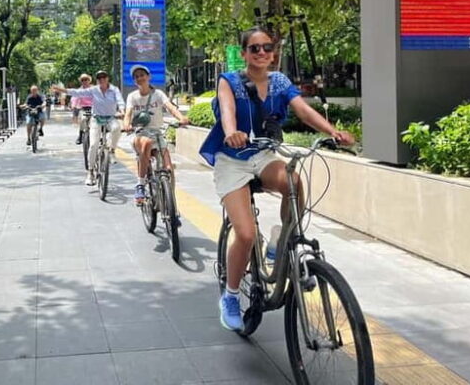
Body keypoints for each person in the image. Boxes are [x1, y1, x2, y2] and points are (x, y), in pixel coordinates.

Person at [199, 27, 355, 332]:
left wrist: (332, 132)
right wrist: (231, 131)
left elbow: (304, 111)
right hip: (232, 160)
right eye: (254, 48)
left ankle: (280, 242)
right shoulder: (229, 80)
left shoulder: (280, 82)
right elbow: (227, 109)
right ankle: (230, 297)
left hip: (263, 156)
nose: (261, 53)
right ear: (243, 53)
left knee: (293, 182)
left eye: (267, 48)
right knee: (244, 234)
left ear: (274, 52)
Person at [122, 65, 189, 205]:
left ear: (148, 77)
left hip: (158, 134)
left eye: (142, 75)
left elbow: (170, 107)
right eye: (136, 76)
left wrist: (181, 118)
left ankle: (171, 205)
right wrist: (126, 125)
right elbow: (127, 114)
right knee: (146, 143)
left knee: (169, 170)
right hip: (140, 133)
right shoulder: (132, 97)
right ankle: (140, 184)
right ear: (135, 81)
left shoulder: (158, 94)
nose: (140, 78)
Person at [53, 70, 125, 186]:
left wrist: (122, 111)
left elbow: (120, 101)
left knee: (117, 128)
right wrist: (62, 90)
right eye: (99, 78)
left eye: (104, 77)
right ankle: (90, 171)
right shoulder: (93, 90)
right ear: (97, 80)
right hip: (96, 119)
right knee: (93, 145)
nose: (102, 80)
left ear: (108, 79)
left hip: (111, 118)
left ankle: (111, 150)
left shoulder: (114, 90)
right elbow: (77, 93)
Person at [70, 73, 94, 144]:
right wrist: (73, 105)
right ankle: (80, 136)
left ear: (89, 80)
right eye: (83, 80)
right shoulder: (79, 90)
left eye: (86, 80)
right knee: (83, 119)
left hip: (94, 108)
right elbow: (75, 98)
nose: (84, 81)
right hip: (84, 108)